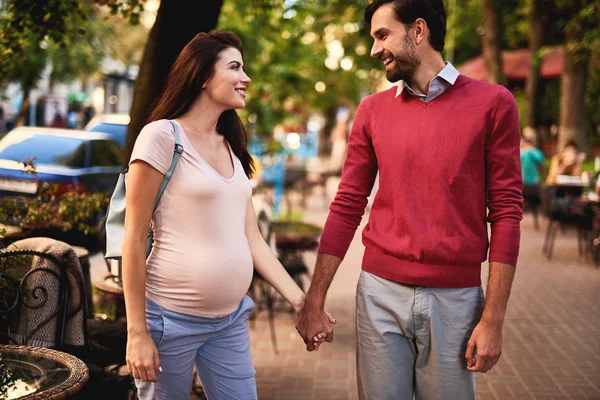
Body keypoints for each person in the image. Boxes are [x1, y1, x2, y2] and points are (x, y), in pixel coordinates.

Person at [295, 1, 523, 399]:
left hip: (457, 301)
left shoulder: (494, 103)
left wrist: (494, 319)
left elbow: (506, 211)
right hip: (379, 293)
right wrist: (315, 297)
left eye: (382, 35)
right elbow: (348, 204)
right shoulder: (371, 111)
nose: (373, 49)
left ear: (419, 30)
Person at [122, 30, 334, 400]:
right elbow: (135, 237)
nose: (246, 78)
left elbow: (253, 240)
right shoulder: (161, 137)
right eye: (235, 67)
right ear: (203, 76)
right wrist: (137, 332)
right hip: (168, 321)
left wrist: (302, 303)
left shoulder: (232, 149)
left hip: (229, 321)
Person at [520, 137, 545, 229]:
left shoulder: (520, 153)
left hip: (521, 184)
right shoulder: (537, 153)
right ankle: (536, 222)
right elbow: (542, 168)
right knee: (535, 204)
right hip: (534, 184)